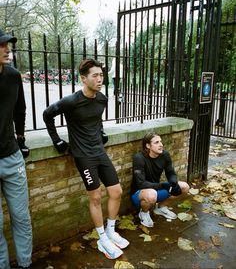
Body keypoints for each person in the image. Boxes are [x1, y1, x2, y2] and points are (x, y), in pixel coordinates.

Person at [43, 58, 129, 259]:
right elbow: (47, 114)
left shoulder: (102, 99)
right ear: (83, 78)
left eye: (101, 75)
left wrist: (101, 131)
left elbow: (96, 119)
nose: (100, 79)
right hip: (83, 155)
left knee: (116, 191)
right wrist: (56, 140)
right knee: (96, 196)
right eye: (95, 75)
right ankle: (101, 238)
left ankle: (110, 230)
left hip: (99, 151)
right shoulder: (71, 101)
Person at [0, 29, 32, 269]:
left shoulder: (13, 76)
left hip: (11, 158)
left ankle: (24, 264)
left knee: (22, 218)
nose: (7, 48)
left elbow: (20, 109)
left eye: (7, 44)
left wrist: (20, 139)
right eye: (1, 45)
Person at [131, 132, 189, 227]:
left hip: (155, 190)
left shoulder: (165, 155)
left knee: (184, 187)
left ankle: (160, 208)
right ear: (148, 145)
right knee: (151, 194)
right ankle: (144, 212)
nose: (161, 145)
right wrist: (163, 185)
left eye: (161, 142)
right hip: (139, 194)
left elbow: (171, 173)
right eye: (157, 142)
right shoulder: (139, 158)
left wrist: (173, 182)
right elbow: (141, 183)